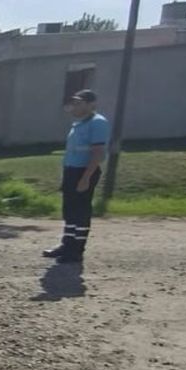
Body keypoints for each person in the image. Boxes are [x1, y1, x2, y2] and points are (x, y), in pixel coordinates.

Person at [44, 89, 108, 264]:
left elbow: (98, 153)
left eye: (79, 103)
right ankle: (67, 245)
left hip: (84, 171)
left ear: (91, 104)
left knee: (80, 211)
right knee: (70, 210)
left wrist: (86, 177)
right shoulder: (78, 124)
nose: (74, 106)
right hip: (72, 170)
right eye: (74, 103)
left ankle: (76, 250)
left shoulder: (97, 123)